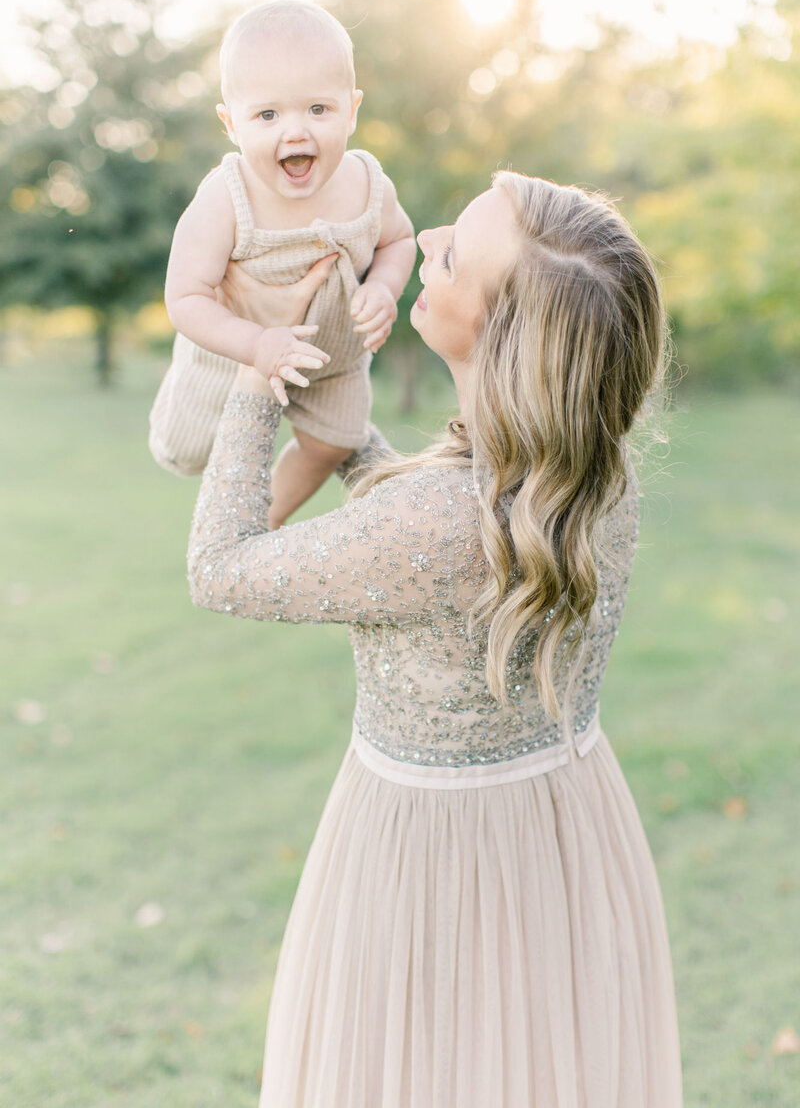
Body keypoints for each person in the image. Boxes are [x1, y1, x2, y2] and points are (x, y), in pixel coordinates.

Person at [174, 171, 683, 1106]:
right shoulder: (589, 475)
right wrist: (341, 431)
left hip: (430, 856)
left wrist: (255, 377)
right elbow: (412, 538)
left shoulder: (442, 521)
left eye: (450, 253)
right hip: (563, 828)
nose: (430, 235)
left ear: (493, 332)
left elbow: (220, 566)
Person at [153, 0, 416, 527]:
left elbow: (400, 239)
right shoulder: (226, 198)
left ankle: (260, 522)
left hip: (332, 362)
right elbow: (185, 296)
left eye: (318, 110)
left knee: (335, 442)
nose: (295, 132)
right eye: (268, 115)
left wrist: (385, 288)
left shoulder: (369, 184)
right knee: (189, 451)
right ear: (232, 123)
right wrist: (255, 345)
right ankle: (224, 496)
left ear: (352, 109)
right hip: (232, 356)